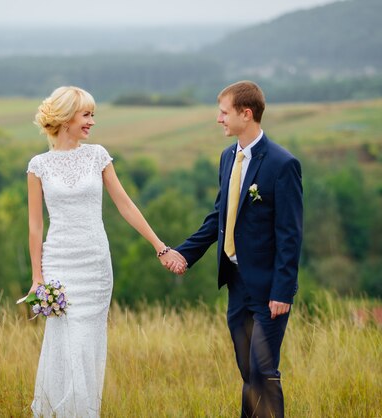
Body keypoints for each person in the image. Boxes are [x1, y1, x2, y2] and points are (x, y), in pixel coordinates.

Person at [25, 86, 185, 417]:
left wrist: (160, 246)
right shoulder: (38, 166)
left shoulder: (98, 155)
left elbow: (126, 205)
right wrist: (37, 277)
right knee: (63, 347)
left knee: (84, 346)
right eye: (86, 115)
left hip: (94, 266)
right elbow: (35, 227)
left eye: (92, 114)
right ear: (66, 118)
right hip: (59, 266)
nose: (92, 122)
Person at [170, 81, 302, 417]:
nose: (219, 119)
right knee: (249, 372)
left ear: (247, 114)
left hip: (270, 290)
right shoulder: (228, 157)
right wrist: (185, 253)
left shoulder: (282, 164)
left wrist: (283, 291)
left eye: (224, 112)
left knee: (263, 371)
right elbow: (219, 216)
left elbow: (290, 235)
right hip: (236, 285)